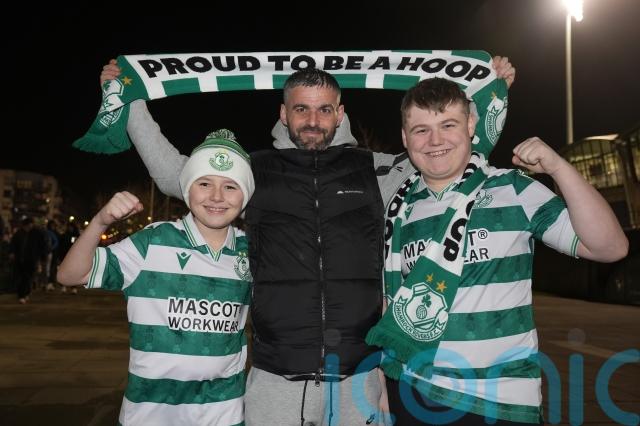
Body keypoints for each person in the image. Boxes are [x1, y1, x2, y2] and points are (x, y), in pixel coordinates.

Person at [100, 57, 515, 426]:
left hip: (358, 376)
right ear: (284, 114)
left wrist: (490, 97)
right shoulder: (254, 171)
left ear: (340, 113)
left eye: (324, 109)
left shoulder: (376, 170)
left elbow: (447, 154)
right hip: (276, 377)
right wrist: (130, 100)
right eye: (301, 109)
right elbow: (176, 175)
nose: (313, 120)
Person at [367, 77, 629, 424]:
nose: (435, 140)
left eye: (448, 125)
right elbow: (390, 304)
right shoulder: (397, 209)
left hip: (501, 400)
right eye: (421, 130)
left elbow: (610, 247)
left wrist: (558, 167)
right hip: (414, 392)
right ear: (405, 137)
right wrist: (384, 384)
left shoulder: (512, 189)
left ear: (470, 126)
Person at [57, 130, 255, 426]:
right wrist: (99, 222)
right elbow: (70, 275)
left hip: (224, 410)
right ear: (187, 189)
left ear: (246, 196)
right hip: (151, 413)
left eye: (230, 186)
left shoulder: (252, 251)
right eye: (204, 183)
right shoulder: (153, 241)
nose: (216, 196)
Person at [9, 216, 39, 304]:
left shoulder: (32, 234)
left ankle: (25, 293)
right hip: (20, 259)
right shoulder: (18, 234)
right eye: (30, 224)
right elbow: (13, 244)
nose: (31, 226)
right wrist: (12, 253)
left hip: (30, 259)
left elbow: (36, 247)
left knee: (28, 277)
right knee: (23, 278)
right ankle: (22, 295)